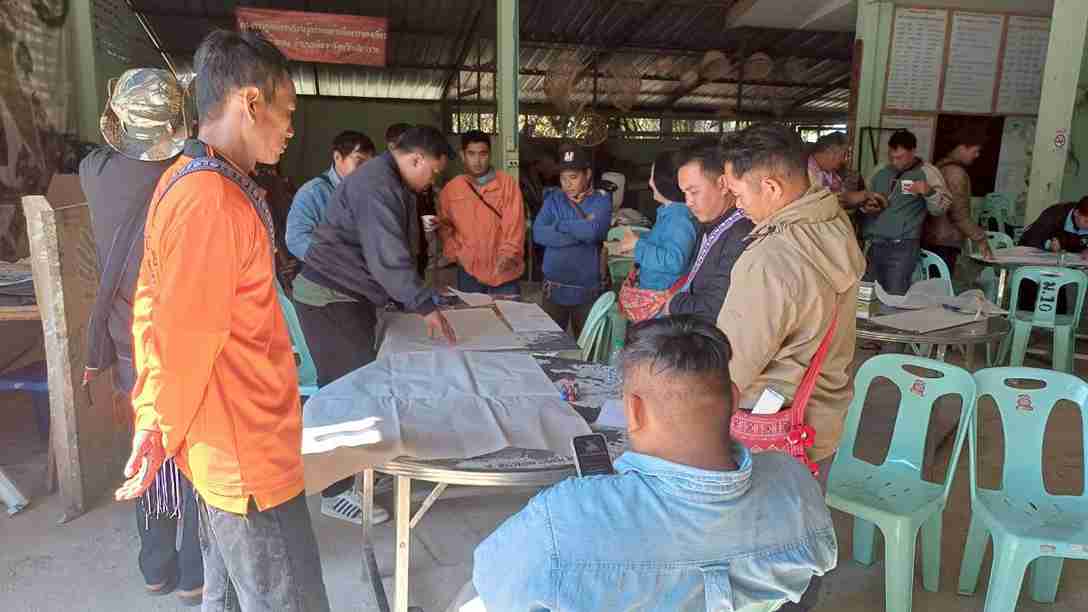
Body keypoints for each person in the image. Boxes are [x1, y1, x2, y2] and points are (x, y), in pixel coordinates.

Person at [115, 30, 330, 612]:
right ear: (251, 102)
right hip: (246, 457)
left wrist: (155, 418)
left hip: (228, 449)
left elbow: (150, 307)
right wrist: (158, 425)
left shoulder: (192, 179)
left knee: (229, 597)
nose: (291, 129)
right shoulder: (211, 200)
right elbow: (183, 339)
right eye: (287, 112)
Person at [458, 316, 837, 612]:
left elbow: (493, 584)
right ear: (734, 399)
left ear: (633, 410)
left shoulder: (562, 519)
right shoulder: (796, 485)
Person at [81, 68, 203, 607]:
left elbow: (102, 148)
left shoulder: (95, 172)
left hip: (130, 345)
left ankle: (156, 568)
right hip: (185, 339)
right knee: (192, 455)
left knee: (147, 448)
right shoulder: (193, 172)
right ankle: (195, 574)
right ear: (177, 122)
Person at [293, 125, 457, 524]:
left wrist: (413, 297)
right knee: (344, 394)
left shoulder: (392, 182)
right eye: (432, 172)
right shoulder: (377, 185)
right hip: (330, 298)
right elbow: (388, 258)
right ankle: (334, 491)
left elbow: (400, 251)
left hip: (351, 296)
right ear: (416, 159)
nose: (431, 181)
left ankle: (359, 469)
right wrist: (424, 306)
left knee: (361, 387)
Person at [717, 123, 865, 477]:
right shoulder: (833, 220)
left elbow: (732, 367)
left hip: (772, 431)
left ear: (771, 187)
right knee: (805, 506)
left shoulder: (769, 259)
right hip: (820, 421)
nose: (737, 205)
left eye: (738, 194)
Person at [664, 143, 755, 321]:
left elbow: (716, 307)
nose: (688, 202)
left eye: (694, 192)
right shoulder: (710, 223)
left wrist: (674, 304)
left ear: (722, 184)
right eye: (685, 193)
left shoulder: (742, 233)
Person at [533, 144, 611, 335]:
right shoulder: (553, 200)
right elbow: (539, 233)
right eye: (563, 178)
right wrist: (580, 231)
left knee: (586, 349)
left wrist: (559, 225)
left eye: (573, 177)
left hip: (586, 292)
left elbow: (593, 233)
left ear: (588, 174)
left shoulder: (601, 200)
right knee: (549, 346)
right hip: (553, 291)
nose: (567, 184)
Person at [860, 129, 950, 294]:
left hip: (903, 246)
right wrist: (866, 206)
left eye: (900, 157)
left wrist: (929, 192)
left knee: (895, 294)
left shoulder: (928, 173)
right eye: (891, 157)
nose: (895, 162)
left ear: (913, 151)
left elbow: (940, 209)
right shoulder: (880, 170)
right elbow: (864, 197)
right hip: (875, 243)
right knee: (866, 293)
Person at [438, 130, 526, 295]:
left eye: (483, 154)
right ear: (462, 155)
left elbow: (515, 225)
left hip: (504, 273)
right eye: (471, 154)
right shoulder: (451, 189)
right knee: (473, 312)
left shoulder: (507, 185)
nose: (477, 161)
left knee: (506, 312)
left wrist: (507, 254)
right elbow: (445, 226)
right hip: (469, 273)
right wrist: (456, 253)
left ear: (490, 155)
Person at [285, 130, 375, 262]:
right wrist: (335, 260)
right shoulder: (313, 192)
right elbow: (296, 240)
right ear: (337, 157)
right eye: (359, 161)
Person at [616, 150, 697, 291]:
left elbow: (674, 262)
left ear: (667, 182)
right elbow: (661, 240)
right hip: (653, 289)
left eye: (653, 177)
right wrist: (639, 239)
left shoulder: (679, 219)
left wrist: (638, 246)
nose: (650, 183)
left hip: (661, 297)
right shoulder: (668, 212)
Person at [923, 130, 993, 269]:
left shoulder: (939, 167)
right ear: (962, 147)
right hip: (945, 242)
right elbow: (959, 214)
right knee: (942, 282)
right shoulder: (956, 173)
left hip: (933, 239)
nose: (977, 155)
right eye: (975, 151)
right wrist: (980, 238)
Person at [808, 132, 886, 212]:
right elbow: (820, 204)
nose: (845, 160)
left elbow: (840, 199)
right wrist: (862, 195)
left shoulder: (831, 171)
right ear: (830, 152)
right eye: (844, 155)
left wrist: (862, 203)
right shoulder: (805, 172)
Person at [1019, 196, 1088, 255]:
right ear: (1076, 213)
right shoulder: (1054, 214)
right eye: (1086, 221)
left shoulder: (1082, 221)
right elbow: (1032, 239)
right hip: (1032, 255)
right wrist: (1048, 245)